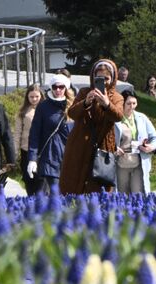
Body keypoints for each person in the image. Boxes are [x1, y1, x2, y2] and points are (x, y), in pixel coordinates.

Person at [59, 59, 124, 195]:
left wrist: (107, 104)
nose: (103, 81)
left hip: (102, 146)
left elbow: (118, 116)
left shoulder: (117, 97)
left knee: (98, 188)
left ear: (112, 79)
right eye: (98, 78)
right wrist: (85, 102)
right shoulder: (84, 92)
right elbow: (72, 113)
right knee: (72, 184)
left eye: (106, 78)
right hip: (79, 144)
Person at [26, 74, 72, 191]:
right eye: (55, 87)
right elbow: (34, 134)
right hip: (50, 157)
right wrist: (32, 158)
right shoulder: (43, 107)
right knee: (54, 194)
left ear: (66, 88)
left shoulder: (73, 106)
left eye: (61, 87)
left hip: (69, 157)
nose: (58, 90)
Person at [114, 90, 156, 194]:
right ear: (122, 103)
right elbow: (107, 140)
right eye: (128, 104)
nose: (132, 107)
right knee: (122, 196)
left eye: (134, 103)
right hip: (121, 163)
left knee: (138, 195)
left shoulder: (142, 118)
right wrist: (114, 148)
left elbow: (155, 137)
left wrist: (151, 147)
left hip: (138, 162)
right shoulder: (115, 119)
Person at [14, 84, 45, 195]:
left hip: (42, 151)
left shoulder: (45, 109)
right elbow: (17, 133)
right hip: (26, 150)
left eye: (36, 96)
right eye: (31, 97)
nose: (34, 99)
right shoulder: (22, 112)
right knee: (28, 180)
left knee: (41, 181)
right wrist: (15, 151)